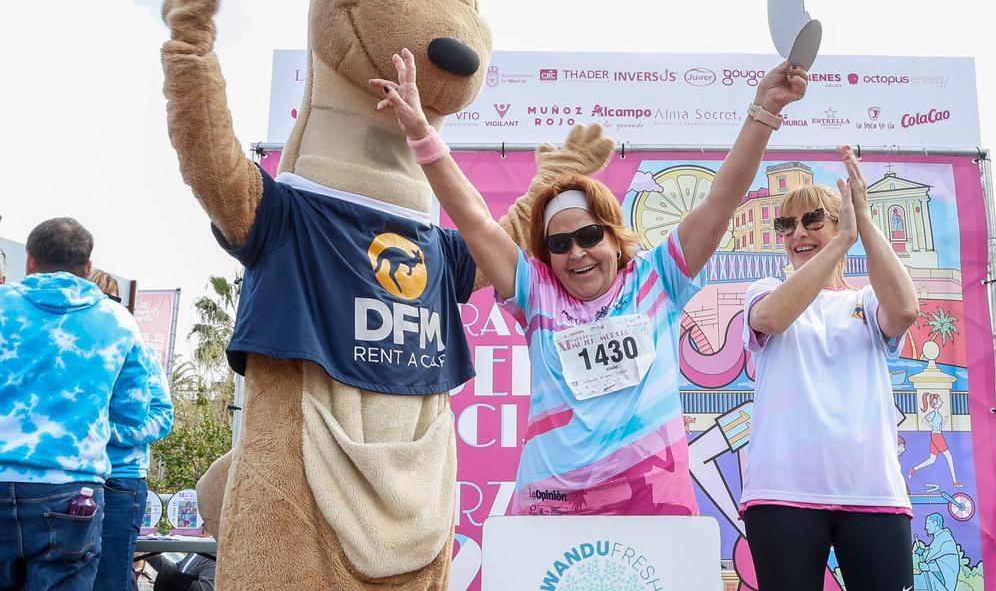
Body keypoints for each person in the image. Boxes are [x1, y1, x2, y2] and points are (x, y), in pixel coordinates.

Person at [371, 49, 806, 515]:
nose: (576, 252)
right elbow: (476, 222)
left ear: (615, 238)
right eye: (559, 244)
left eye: (589, 236)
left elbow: (722, 200)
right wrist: (421, 132)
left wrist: (765, 110)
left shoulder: (657, 277)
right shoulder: (534, 290)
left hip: (653, 503)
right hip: (551, 503)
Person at [739, 147, 920, 591]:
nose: (798, 233)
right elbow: (773, 319)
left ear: (841, 222)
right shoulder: (764, 290)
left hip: (872, 490)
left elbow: (906, 311)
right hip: (782, 493)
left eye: (813, 220)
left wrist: (863, 218)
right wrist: (839, 241)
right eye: (787, 225)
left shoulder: (866, 301)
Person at [0, 218, 154, 591]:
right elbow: (135, 412)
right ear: (87, 268)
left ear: (30, 260)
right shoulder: (118, 322)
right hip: (72, 490)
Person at [88, 272, 175, 591]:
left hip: (119, 479)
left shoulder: (138, 352)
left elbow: (162, 417)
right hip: (73, 478)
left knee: (111, 577)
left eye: (109, 301)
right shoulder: (72, 349)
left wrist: (101, 431)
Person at [909, 393, 963, 487]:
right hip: (937, 436)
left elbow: (939, 427)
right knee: (949, 457)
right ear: (935, 403)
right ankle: (955, 482)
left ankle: (914, 468)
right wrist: (933, 427)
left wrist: (944, 421)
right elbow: (924, 421)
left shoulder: (937, 414)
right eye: (939, 401)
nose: (941, 402)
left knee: (932, 460)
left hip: (936, 435)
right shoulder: (933, 413)